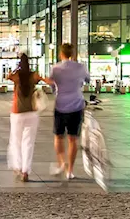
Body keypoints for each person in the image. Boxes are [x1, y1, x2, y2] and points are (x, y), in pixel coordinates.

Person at [47, 43, 89, 181]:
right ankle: (70, 170)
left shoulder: (56, 68)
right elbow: (87, 80)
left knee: (58, 136)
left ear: (61, 53)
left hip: (60, 105)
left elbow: (52, 84)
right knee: (73, 139)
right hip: (77, 105)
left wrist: (56, 90)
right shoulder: (81, 67)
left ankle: (61, 162)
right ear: (73, 53)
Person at [6, 53, 42, 182]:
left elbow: (8, 76)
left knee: (16, 141)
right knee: (28, 143)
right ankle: (26, 171)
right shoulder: (33, 75)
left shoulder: (17, 76)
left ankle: (18, 166)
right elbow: (41, 78)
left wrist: (17, 68)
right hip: (31, 112)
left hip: (17, 113)